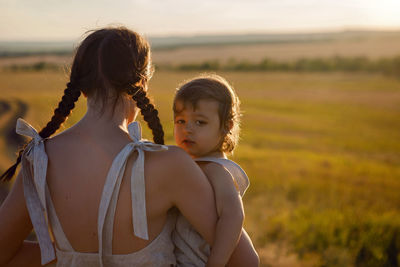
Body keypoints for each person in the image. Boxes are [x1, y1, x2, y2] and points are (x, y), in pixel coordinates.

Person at [0, 27, 259, 266]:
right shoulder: (171, 165)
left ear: (82, 88)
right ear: (142, 83)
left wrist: (73, 255)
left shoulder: (39, 159)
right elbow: (246, 261)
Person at [172, 74, 257, 266]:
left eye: (200, 122)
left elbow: (233, 215)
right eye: (180, 121)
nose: (188, 129)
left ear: (226, 127)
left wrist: (215, 263)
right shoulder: (195, 164)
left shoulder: (215, 170)